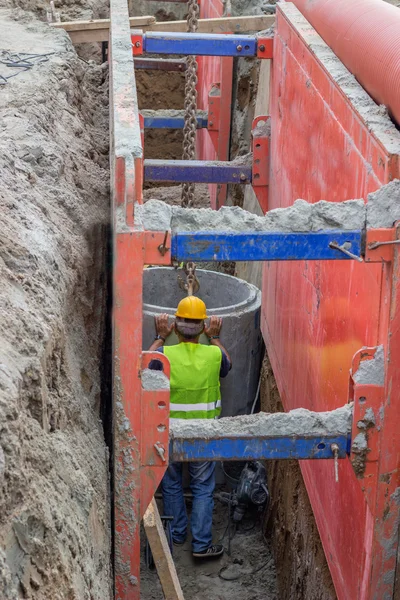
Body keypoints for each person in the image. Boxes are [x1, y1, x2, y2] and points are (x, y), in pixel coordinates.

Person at [149, 295, 232, 559]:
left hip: (170, 433)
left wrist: (161, 336)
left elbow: (146, 366)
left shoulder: (165, 355)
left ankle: (175, 535)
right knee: (203, 488)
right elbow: (228, 365)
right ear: (204, 327)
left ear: (175, 325)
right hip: (203, 435)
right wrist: (215, 336)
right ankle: (201, 545)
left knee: (171, 485)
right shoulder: (213, 354)